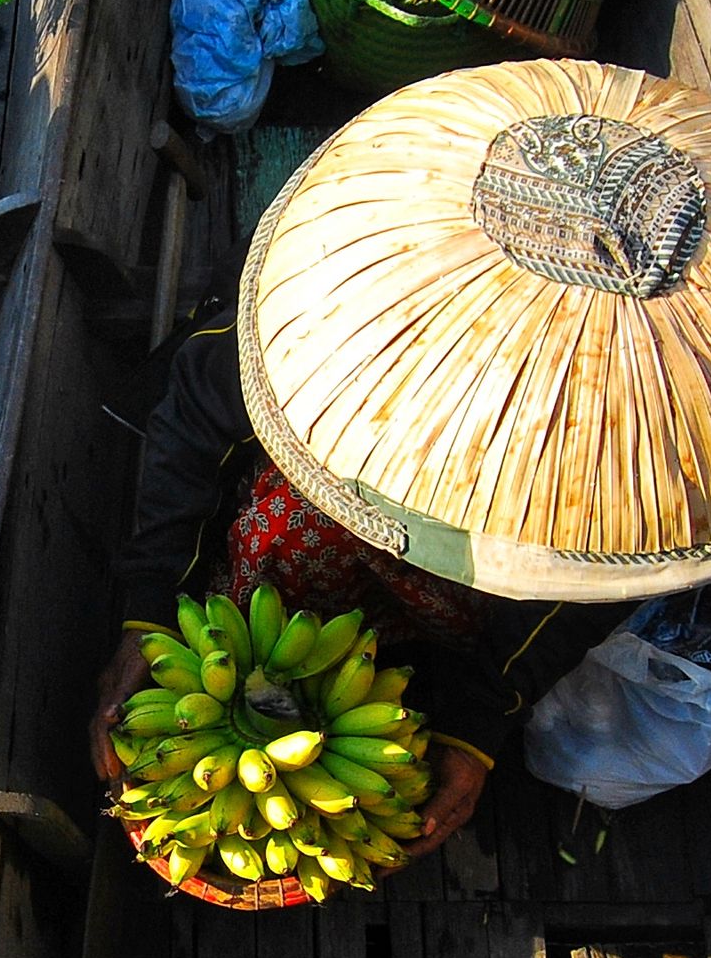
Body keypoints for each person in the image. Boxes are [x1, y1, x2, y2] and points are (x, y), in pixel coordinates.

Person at [89, 294, 625, 855]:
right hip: (332, 494)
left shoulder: (609, 467)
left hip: (486, 575)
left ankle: (421, 668)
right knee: (290, 520)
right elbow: (199, 408)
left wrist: (479, 723)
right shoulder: (344, 315)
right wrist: (152, 604)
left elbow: (597, 588)